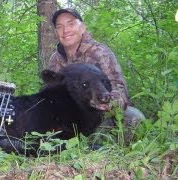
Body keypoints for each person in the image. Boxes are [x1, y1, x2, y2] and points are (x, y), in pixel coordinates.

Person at [48, 8, 145, 144]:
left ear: (82, 28)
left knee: (134, 117)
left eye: (71, 24)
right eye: (60, 27)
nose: (65, 30)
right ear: (56, 33)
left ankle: (101, 144)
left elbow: (119, 88)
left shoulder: (99, 53)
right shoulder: (55, 59)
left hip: (100, 113)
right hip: (69, 116)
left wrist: (107, 103)